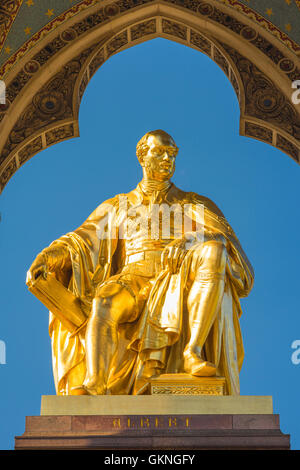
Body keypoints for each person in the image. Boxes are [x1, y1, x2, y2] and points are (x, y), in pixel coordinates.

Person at [26, 130, 254, 396]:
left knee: (214, 251)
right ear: (142, 156)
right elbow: (82, 240)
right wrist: (48, 257)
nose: (168, 159)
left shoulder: (195, 203)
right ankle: (95, 383)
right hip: (131, 279)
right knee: (105, 302)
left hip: (177, 277)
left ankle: (192, 351)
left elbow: (229, 245)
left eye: (172, 154)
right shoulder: (117, 206)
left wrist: (194, 239)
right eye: (160, 152)